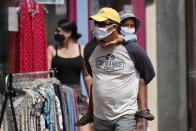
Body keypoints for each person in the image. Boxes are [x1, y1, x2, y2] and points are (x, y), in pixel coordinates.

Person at [75, 9, 155, 127]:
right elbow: (94, 76)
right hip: (100, 116)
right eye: (96, 23)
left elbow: (148, 73)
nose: (97, 27)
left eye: (102, 24)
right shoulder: (90, 49)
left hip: (125, 115)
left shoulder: (133, 49)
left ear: (114, 27)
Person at [47, 18, 92, 131]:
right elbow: (46, 76)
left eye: (58, 31)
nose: (55, 34)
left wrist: (90, 99)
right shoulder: (52, 49)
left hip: (77, 96)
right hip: (58, 95)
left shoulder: (82, 49)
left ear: (69, 33)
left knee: (84, 128)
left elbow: (87, 76)